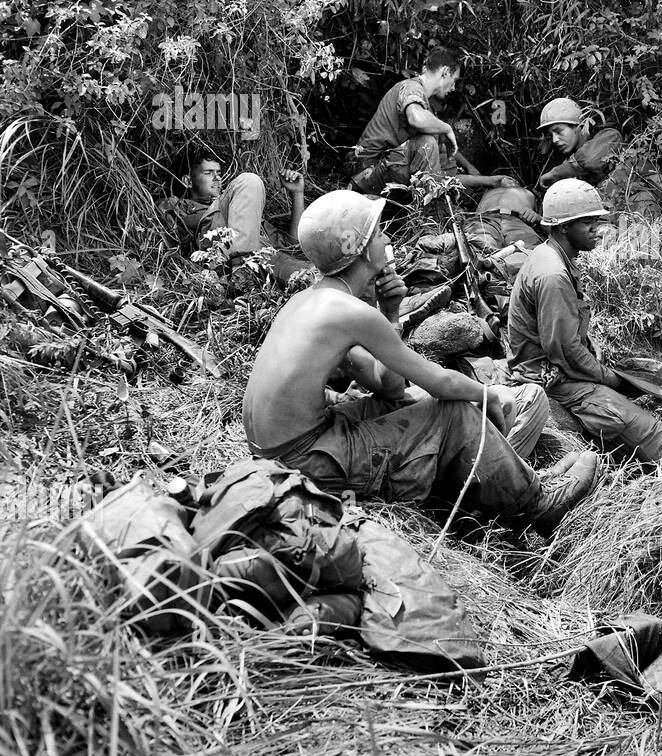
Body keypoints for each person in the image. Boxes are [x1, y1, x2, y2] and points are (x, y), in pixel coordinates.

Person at [242, 190, 597, 535]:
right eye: (378, 233)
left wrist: (392, 313)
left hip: (288, 455)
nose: (386, 240)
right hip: (308, 461)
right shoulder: (347, 311)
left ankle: (513, 478)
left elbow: (389, 386)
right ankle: (537, 505)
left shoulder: (314, 300)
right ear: (359, 248)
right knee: (454, 410)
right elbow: (439, 383)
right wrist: (489, 396)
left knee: (405, 403)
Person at [507, 179, 662, 468]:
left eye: (597, 221)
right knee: (651, 432)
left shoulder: (557, 256)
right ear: (564, 227)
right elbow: (566, 352)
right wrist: (610, 379)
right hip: (553, 379)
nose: (597, 229)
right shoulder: (553, 274)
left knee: (649, 376)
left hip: (562, 368)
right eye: (587, 223)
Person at [352, 46, 498, 195]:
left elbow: (445, 177)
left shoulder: (426, 107)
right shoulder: (410, 87)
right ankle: (428, 210)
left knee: (432, 146)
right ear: (445, 72)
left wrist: (491, 180)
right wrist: (447, 128)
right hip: (365, 174)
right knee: (426, 143)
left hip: (385, 171)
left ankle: (430, 206)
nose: (453, 88)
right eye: (454, 81)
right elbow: (416, 118)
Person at [158, 149, 311, 284]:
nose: (217, 178)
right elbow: (171, 226)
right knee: (249, 180)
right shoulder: (178, 205)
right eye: (209, 173)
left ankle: (245, 270)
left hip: (265, 261)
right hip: (220, 255)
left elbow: (293, 244)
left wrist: (297, 193)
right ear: (187, 181)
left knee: (313, 276)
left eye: (218, 173)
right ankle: (241, 268)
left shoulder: (244, 214)